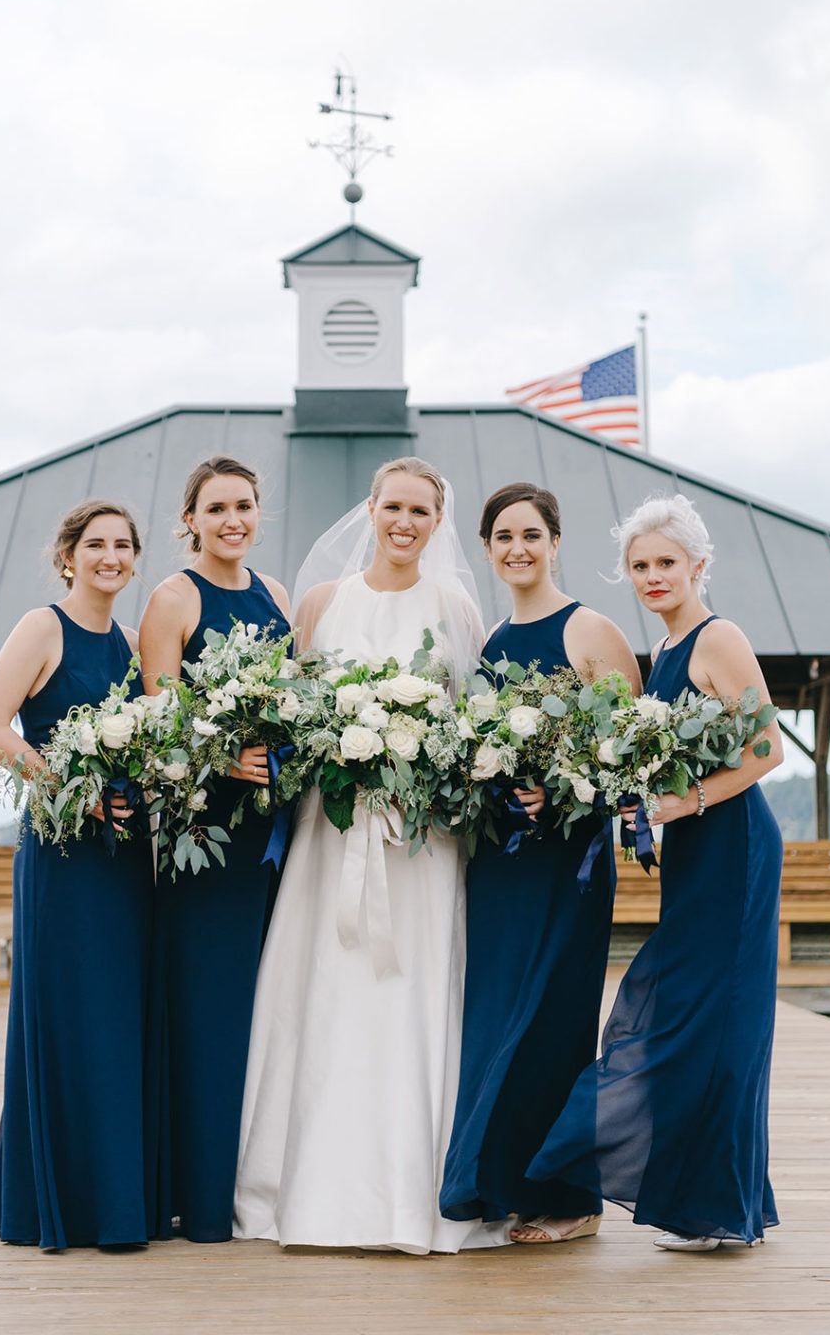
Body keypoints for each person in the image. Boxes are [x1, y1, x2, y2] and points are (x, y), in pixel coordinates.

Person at [233, 456, 513, 1255]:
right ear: (371, 508)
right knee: (322, 984)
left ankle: (412, 1192)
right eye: (393, 507)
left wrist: (413, 755)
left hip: (420, 838)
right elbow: (290, 712)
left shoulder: (457, 609)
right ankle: (294, 1190)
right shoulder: (321, 603)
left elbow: (472, 729)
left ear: (437, 521)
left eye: (421, 512)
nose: (405, 522)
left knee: (407, 984)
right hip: (333, 827)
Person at [526, 493, 783, 1252]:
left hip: (732, 847)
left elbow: (768, 751)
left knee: (716, 1019)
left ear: (699, 565)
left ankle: (718, 1209)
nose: (652, 576)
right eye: (639, 566)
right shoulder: (666, 655)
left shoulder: (717, 637)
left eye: (666, 562)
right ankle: (714, 1204)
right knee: (693, 1014)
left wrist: (684, 802)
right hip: (695, 853)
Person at [440, 481, 642, 1245]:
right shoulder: (489, 642)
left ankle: (571, 1200)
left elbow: (632, 752)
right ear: (489, 550)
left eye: (531, 534)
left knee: (555, 1018)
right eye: (503, 538)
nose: (518, 549)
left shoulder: (590, 630)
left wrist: (562, 794)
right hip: (498, 864)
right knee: (496, 1018)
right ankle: (500, 1183)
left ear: (555, 542)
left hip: (568, 864)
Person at [0, 501, 153, 1250]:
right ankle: (52, 1203)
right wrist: (69, 795)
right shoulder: (41, 627)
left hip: (123, 859)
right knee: (64, 1014)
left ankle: (114, 1202)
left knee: (115, 1020)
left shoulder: (138, 643)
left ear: (135, 559)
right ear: (68, 556)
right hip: (61, 850)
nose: (110, 557)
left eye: (122, 546)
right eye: (96, 545)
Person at [140, 455, 291, 1243]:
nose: (233, 519)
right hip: (207, 836)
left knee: (265, 1007)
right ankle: (195, 1196)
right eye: (217, 508)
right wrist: (224, 756)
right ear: (190, 519)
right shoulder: (173, 599)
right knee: (207, 1008)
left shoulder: (277, 597)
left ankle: (250, 1183)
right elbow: (156, 723)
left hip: (273, 833)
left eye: (245, 505)